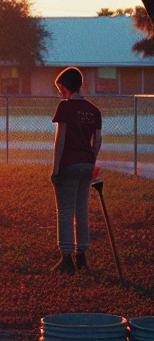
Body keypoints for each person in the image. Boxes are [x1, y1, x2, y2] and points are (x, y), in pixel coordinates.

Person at [51, 66, 102, 274]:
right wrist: (90, 161)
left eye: (60, 89)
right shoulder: (94, 110)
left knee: (65, 211)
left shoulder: (65, 108)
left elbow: (60, 140)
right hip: (87, 163)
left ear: (64, 87)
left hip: (69, 164)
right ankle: (82, 255)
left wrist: (56, 170)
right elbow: (97, 141)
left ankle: (66, 258)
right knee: (81, 210)